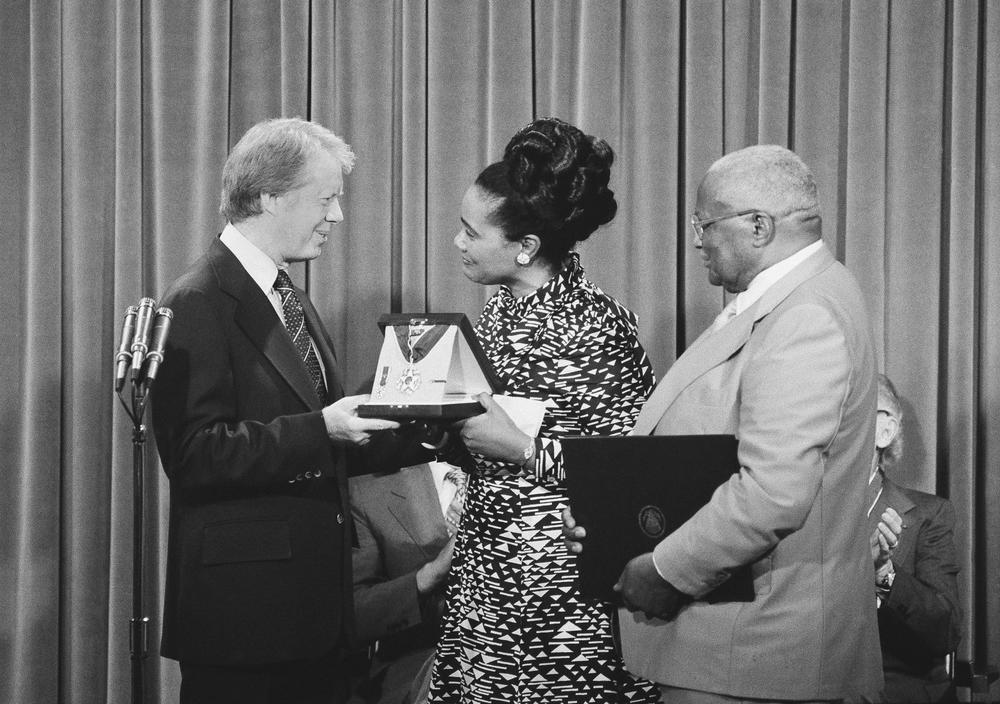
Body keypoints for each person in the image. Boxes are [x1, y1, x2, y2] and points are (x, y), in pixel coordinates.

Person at [564, 145, 884, 703]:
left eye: (704, 223)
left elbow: (774, 491)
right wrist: (613, 527)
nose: (696, 240)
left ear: (758, 226)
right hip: (737, 651)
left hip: (758, 659)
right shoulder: (786, 298)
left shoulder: (806, 315)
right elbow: (713, 452)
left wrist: (663, 570)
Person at [151, 117, 399, 704]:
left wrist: (429, 431)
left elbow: (324, 435)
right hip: (247, 626)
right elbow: (195, 455)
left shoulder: (286, 292)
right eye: (328, 199)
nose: (337, 216)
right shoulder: (197, 300)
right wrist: (324, 427)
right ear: (269, 197)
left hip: (315, 622)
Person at [427, 117, 660, 703]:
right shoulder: (498, 313)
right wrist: (437, 429)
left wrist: (528, 451)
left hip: (563, 602)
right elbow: (486, 440)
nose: (457, 242)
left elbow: (633, 474)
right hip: (486, 582)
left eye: (469, 231)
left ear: (525, 247)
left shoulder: (600, 326)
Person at [868, 374, 962, 702]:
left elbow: (946, 631)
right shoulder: (795, 511)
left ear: (885, 431)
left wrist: (885, 575)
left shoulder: (929, 515)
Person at [349, 462, 462, 704]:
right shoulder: (367, 490)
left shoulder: (534, 478)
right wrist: (430, 574)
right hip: (416, 668)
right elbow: (356, 614)